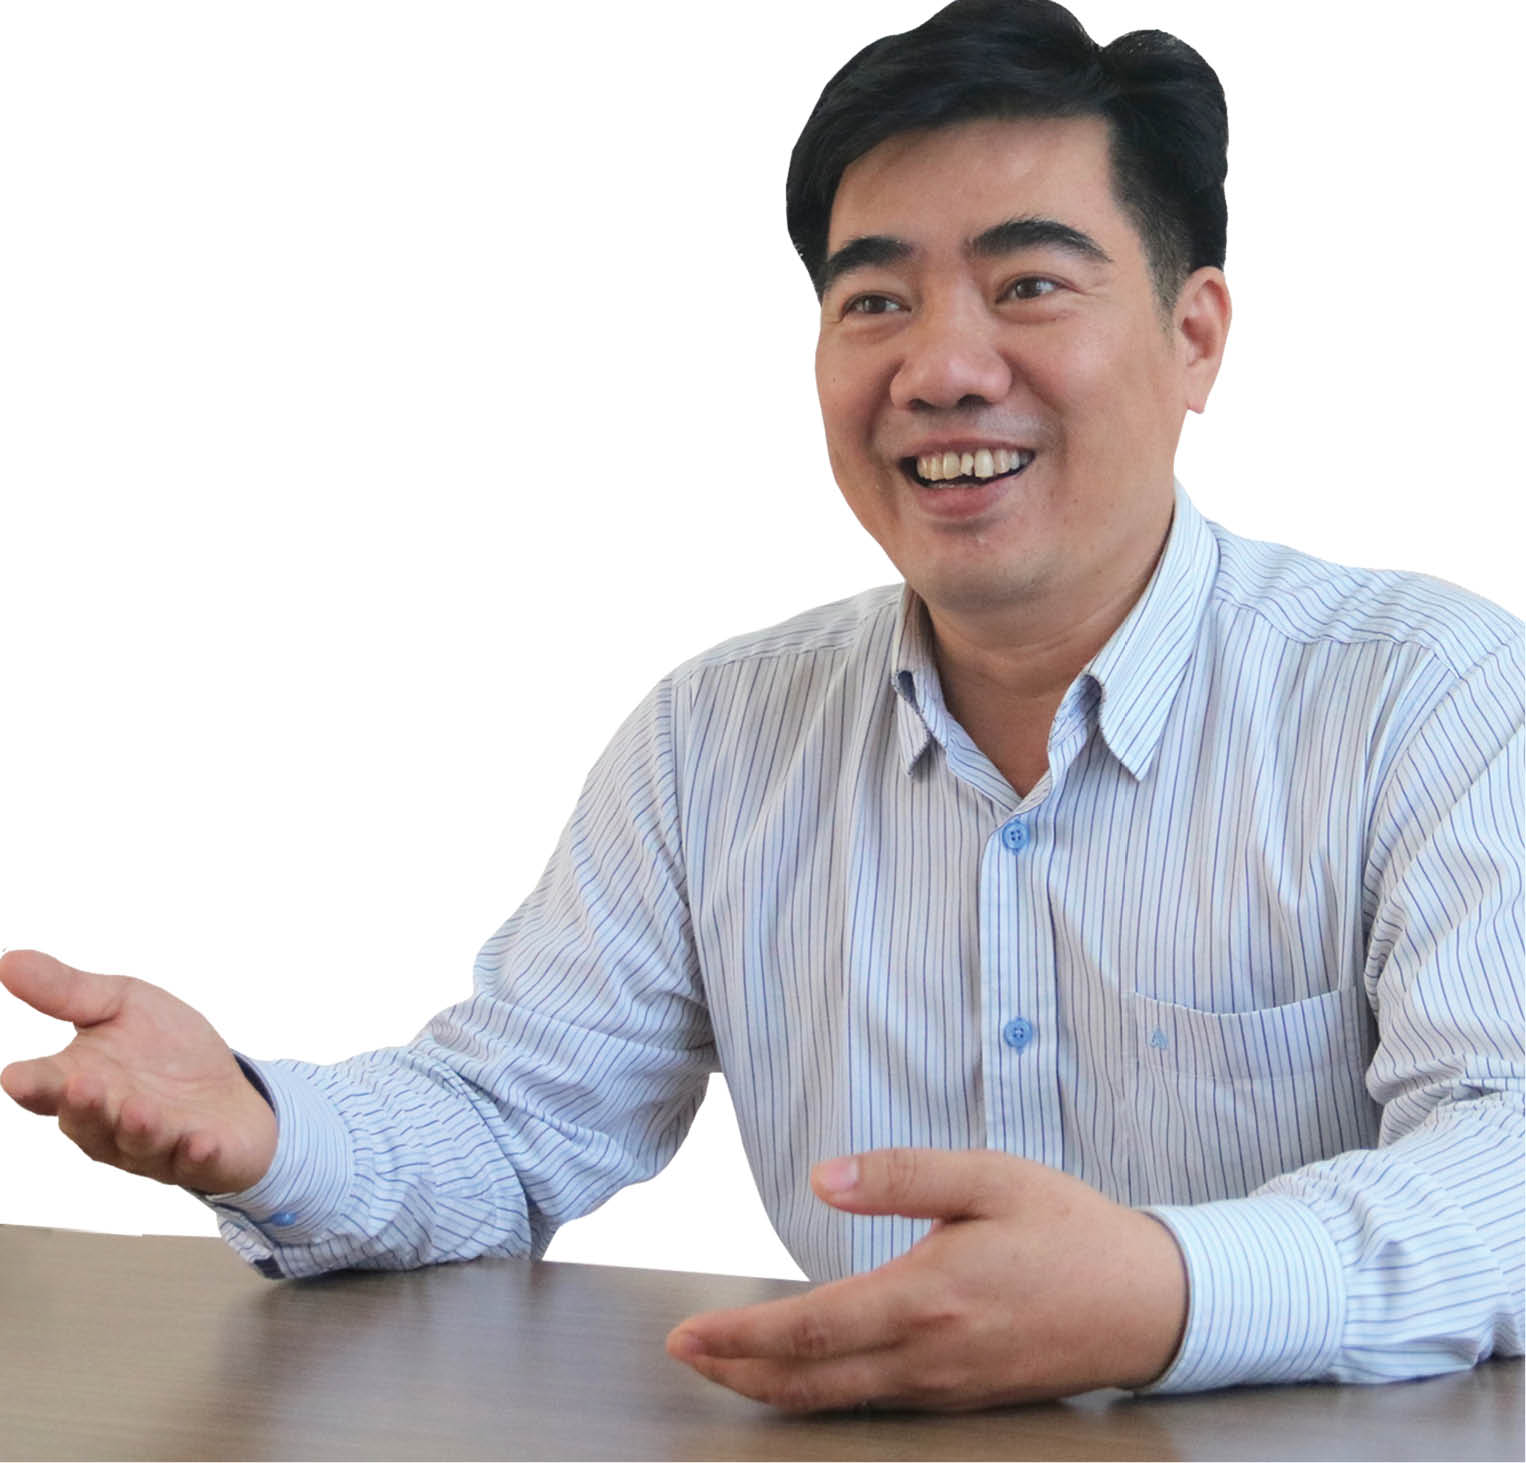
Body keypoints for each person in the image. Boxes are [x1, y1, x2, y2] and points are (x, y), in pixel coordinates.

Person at [2, 0, 1521, 1413]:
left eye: (1028, 286)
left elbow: (1506, 1156)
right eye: (876, 300)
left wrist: (1170, 1293)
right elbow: (514, 1124)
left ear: (1195, 336)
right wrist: (266, 1131)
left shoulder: (1428, 697)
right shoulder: (714, 740)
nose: (941, 367)